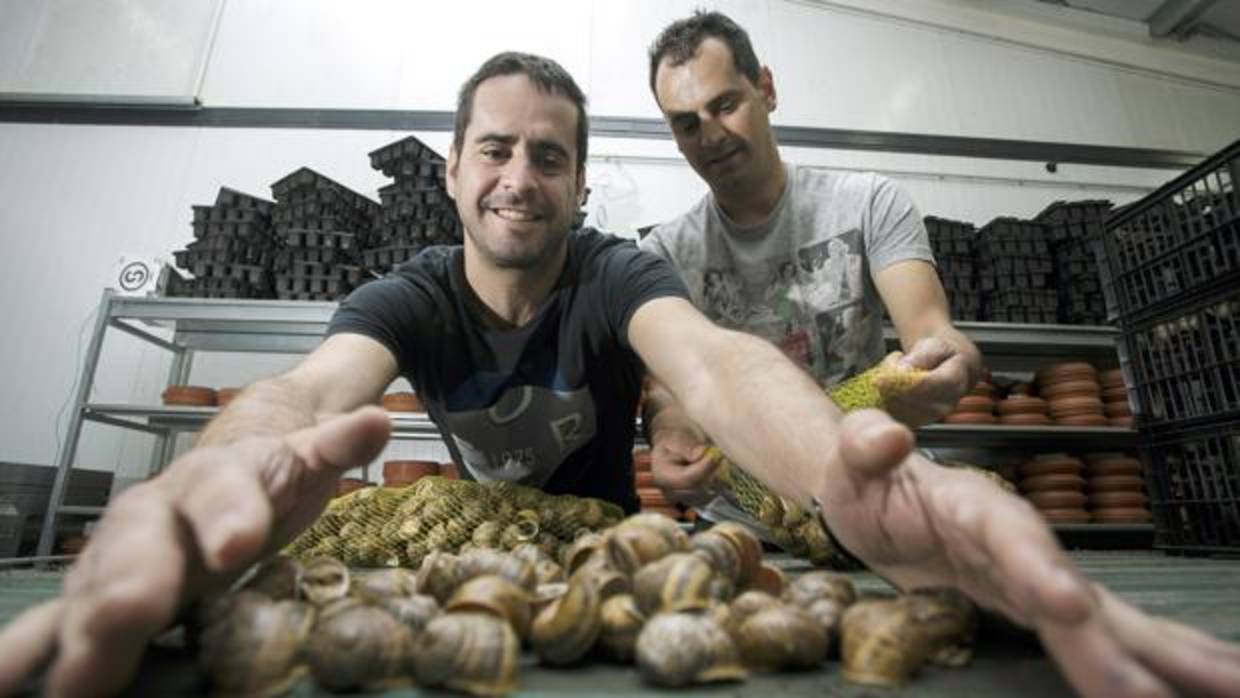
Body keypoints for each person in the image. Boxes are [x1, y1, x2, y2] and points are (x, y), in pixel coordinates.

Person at [0, 50, 1237, 698]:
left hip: (594, 543)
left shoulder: (611, 271)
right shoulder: (406, 295)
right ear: (450, 169)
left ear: (579, 185)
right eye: (495, 149)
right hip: (471, 543)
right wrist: (208, 473)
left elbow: (714, 359)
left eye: (550, 157)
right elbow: (307, 395)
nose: (519, 178)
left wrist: (832, 472)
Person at [638, 9, 984, 525]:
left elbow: (934, 333)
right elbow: (667, 389)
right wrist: (671, 435)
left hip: (867, 490)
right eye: (687, 124)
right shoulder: (663, 255)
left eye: (725, 105)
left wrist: (951, 365)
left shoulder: (868, 203)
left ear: (766, 89)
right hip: (746, 516)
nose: (710, 137)